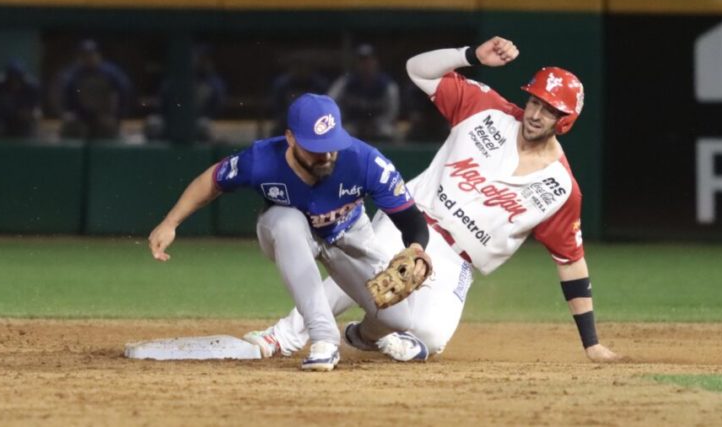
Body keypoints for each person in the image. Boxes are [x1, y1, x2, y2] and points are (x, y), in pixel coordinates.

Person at [244, 37, 621, 364]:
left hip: (459, 261)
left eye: (550, 109)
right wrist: (471, 54)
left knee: (427, 340)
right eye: (535, 102)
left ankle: (365, 335)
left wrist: (591, 343)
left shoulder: (560, 188)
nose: (537, 114)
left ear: (566, 120)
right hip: (413, 221)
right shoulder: (487, 110)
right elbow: (417, 70)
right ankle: (284, 335)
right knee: (366, 272)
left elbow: (571, 263)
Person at [147, 93, 433, 372]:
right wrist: (170, 222)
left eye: (331, 144)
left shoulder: (365, 161)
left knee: (398, 318)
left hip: (348, 235)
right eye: (315, 147)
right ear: (291, 138)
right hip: (287, 232)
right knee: (286, 221)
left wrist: (418, 250)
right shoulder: (261, 160)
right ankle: (324, 339)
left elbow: (410, 220)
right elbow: (211, 181)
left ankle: (365, 337)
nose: (326, 155)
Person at [56, 39, 133, 140]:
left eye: (91, 54)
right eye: (84, 55)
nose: (88, 58)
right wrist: (68, 113)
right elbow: (67, 97)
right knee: (69, 126)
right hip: (82, 117)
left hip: (105, 117)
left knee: (109, 130)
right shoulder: (75, 74)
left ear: (98, 55)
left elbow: (124, 95)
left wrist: (117, 117)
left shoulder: (111, 73)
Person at [328, 43, 400, 142]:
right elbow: (329, 104)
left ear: (376, 62)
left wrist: (376, 124)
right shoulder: (345, 82)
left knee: (391, 133)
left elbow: (392, 112)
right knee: (337, 132)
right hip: (351, 125)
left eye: (369, 60)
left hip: (378, 127)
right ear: (356, 63)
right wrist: (342, 120)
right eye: (361, 61)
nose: (365, 64)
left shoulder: (387, 85)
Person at [267, 52, 330, 136]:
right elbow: (278, 109)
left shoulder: (318, 86)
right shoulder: (283, 85)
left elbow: (324, 109)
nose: (300, 70)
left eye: (303, 67)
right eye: (297, 67)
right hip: (287, 124)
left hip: (313, 124)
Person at [0, 60, 41, 138]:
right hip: (3, 120)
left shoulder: (31, 88)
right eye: (12, 78)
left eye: (17, 78)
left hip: (23, 123)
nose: (14, 81)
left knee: (36, 116)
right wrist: (10, 113)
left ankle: (34, 146)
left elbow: (33, 109)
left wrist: (26, 113)